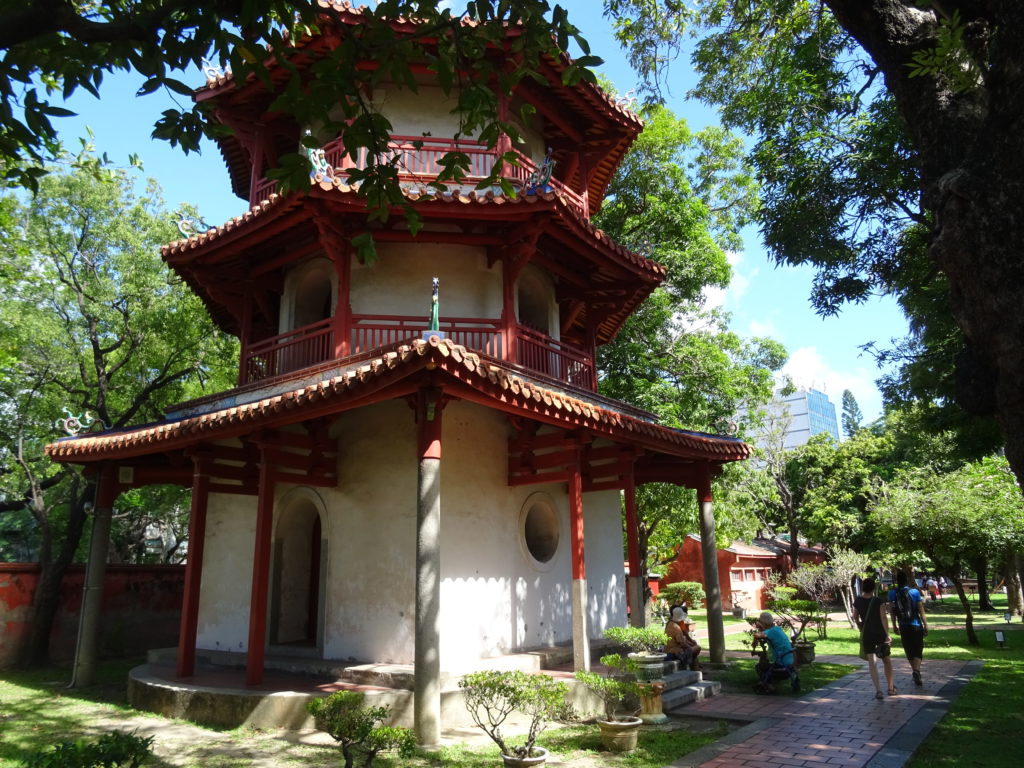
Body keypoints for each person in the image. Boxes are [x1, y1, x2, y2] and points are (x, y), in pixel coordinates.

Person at [852, 577, 895, 698]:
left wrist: (860, 625)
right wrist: (887, 634)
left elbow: (854, 616)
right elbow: (883, 618)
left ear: (863, 587)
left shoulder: (858, 601)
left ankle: (878, 690)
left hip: (867, 634)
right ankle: (891, 688)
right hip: (880, 633)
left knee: (872, 661)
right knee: (886, 660)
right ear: (873, 588)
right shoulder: (878, 601)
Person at [889, 571, 928, 686]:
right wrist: (925, 625)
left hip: (903, 625)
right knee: (918, 648)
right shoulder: (915, 592)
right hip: (916, 624)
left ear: (897, 581)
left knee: (908, 649)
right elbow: (921, 610)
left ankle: (914, 670)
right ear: (907, 580)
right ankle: (916, 671)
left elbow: (892, 611)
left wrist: (894, 625)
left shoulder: (892, 593)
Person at [753, 610, 799, 693]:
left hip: (781, 662)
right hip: (790, 660)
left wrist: (759, 628)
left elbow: (757, 635)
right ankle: (767, 683)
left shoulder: (770, 632)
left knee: (761, 666)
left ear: (763, 623)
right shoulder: (778, 629)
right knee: (766, 663)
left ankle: (770, 686)